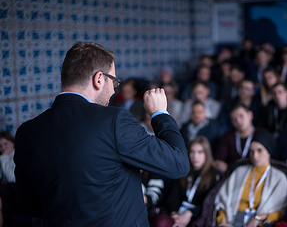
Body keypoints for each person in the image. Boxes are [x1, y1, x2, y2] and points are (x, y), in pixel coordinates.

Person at [14, 41, 190, 227]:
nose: (114, 89)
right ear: (99, 79)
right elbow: (178, 164)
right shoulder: (114, 121)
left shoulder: (26, 132)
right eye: (113, 81)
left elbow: (28, 206)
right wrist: (159, 113)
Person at [215, 130, 287, 227]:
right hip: (232, 219)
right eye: (252, 151)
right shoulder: (239, 172)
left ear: (269, 151)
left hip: (260, 223)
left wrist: (258, 218)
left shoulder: (279, 178)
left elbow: (281, 210)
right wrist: (222, 222)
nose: (255, 156)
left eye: (259, 150)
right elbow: (222, 202)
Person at [154, 136, 220, 227]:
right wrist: (174, 214)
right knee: (162, 221)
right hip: (177, 213)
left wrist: (189, 213)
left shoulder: (214, 175)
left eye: (200, 152)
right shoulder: (183, 170)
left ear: (206, 154)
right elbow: (172, 196)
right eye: (192, 152)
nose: (195, 156)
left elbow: (209, 202)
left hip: (198, 216)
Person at [215, 104, 259, 173]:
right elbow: (218, 161)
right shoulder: (227, 136)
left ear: (250, 115)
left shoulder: (261, 134)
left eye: (241, 116)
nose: (238, 121)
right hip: (233, 174)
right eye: (234, 119)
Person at [0, 131, 16, 227]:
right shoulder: (2, 157)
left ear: (12, 142)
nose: (3, 148)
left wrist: (4, 157)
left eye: (5, 144)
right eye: (0, 146)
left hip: (14, 193)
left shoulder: (17, 155)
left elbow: (11, 178)